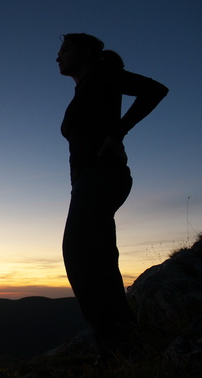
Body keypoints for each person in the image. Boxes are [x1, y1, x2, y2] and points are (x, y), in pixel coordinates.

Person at [56, 33, 168, 361]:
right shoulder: (87, 86)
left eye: (63, 50)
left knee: (80, 256)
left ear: (86, 52)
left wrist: (117, 133)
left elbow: (155, 90)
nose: (57, 57)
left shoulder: (103, 75)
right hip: (91, 180)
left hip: (102, 176)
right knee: (97, 258)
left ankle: (123, 345)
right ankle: (122, 343)